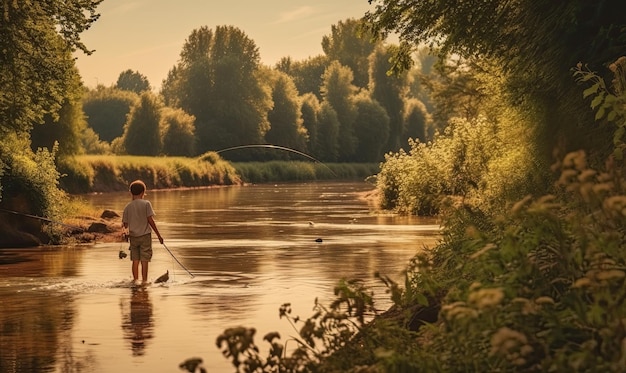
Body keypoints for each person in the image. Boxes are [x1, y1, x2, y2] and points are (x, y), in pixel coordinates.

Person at [122, 180, 164, 283]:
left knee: (135, 259)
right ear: (143, 192)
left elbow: (125, 225)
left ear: (131, 192)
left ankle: (135, 280)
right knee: (145, 259)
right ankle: (144, 281)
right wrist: (159, 236)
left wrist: (125, 235)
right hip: (145, 236)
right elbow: (150, 221)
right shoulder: (146, 204)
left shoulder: (128, 206)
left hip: (133, 237)